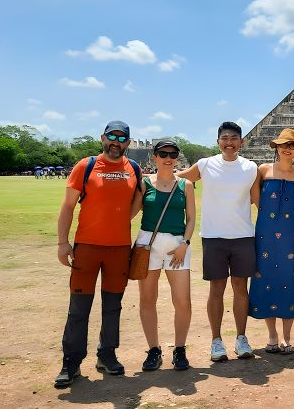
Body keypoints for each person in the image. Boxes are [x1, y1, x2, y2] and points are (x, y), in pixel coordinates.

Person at [54, 120, 143, 388]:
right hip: (87, 247)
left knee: (112, 306)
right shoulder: (86, 165)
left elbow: (137, 200)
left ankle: (107, 354)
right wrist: (62, 242)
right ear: (103, 138)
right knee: (79, 308)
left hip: (118, 249)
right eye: (111, 137)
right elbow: (68, 206)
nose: (116, 143)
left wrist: (119, 222)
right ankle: (71, 362)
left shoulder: (134, 169)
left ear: (128, 142)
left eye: (122, 138)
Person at [177, 122, 260, 362]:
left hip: (243, 236)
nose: (229, 142)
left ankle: (241, 338)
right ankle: (216, 340)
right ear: (218, 142)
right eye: (225, 138)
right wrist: (148, 178)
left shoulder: (250, 168)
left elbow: (259, 202)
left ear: (241, 142)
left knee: (240, 289)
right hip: (213, 237)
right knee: (216, 290)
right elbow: (178, 181)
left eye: (234, 138)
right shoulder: (205, 165)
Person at [133, 139, 196, 371]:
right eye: (163, 153)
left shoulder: (186, 185)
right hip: (147, 245)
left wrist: (185, 244)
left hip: (177, 247)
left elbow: (191, 219)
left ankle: (180, 349)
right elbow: (130, 212)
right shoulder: (144, 184)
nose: (168, 158)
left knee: (182, 302)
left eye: (172, 154)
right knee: (147, 300)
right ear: (154, 157)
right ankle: (153, 350)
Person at [248, 129, 294, 355]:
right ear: (276, 147)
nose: (287, 149)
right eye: (284, 145)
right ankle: (272, 335)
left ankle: (287, 338)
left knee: (288, 281)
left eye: (292, 146)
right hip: (265, 233)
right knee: (265, 280)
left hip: (290, 234)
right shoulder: (263, 170)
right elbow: (255, 198)